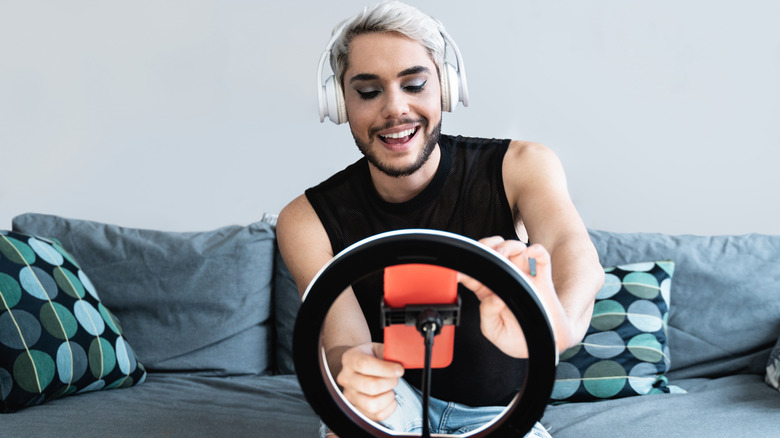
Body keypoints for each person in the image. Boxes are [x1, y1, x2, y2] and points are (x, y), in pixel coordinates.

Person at [277, 1, 605, 436]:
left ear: (446, 89)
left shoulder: (523, 166)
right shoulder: (306, 220)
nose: (395, 109)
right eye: (369, 92)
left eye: (414, 84)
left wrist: (552, 328)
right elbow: (342, 341)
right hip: (396, 402)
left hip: (502, 413)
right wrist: (356, 372)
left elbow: (574, 255)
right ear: (340, 103)